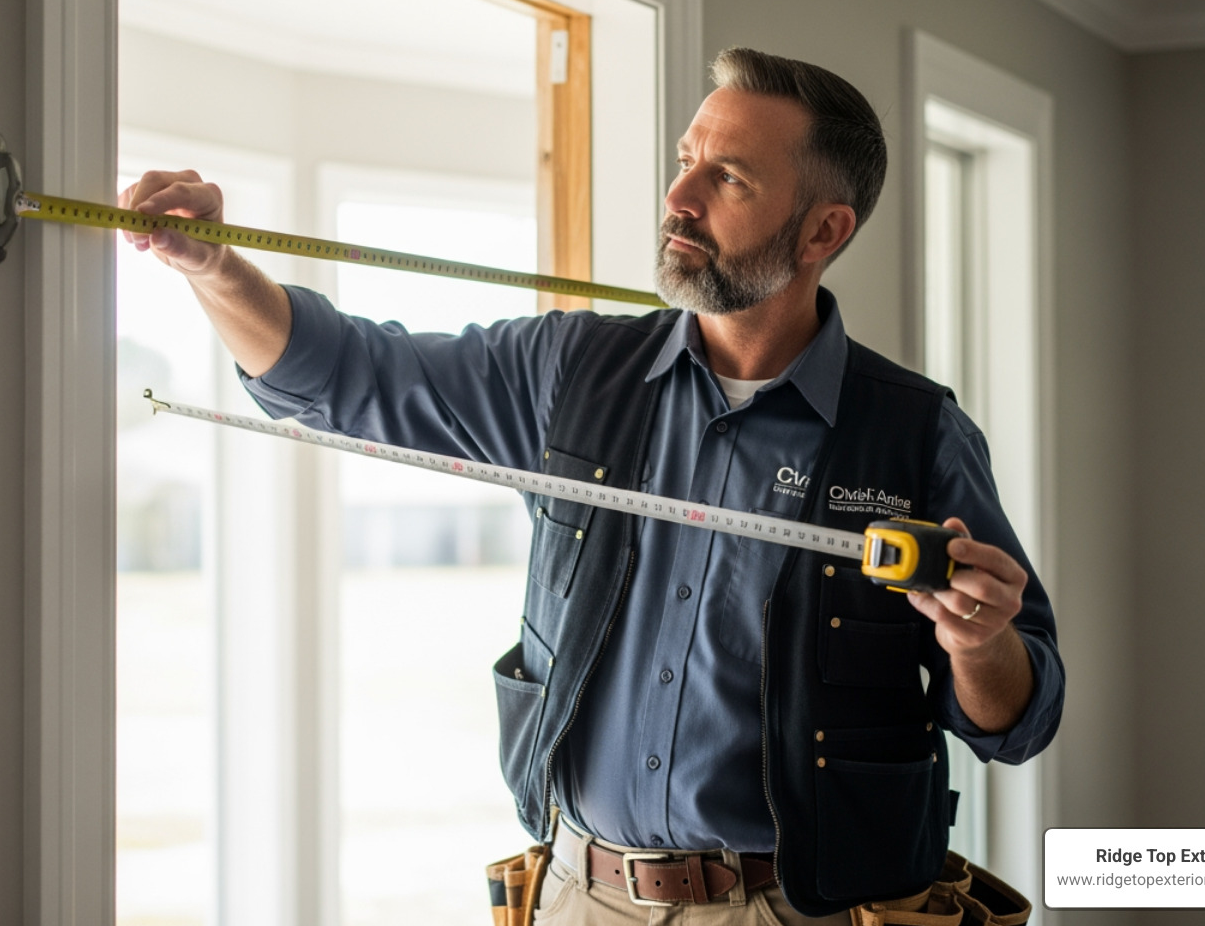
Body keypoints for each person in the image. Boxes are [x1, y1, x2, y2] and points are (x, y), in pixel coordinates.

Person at [122, 48, 1063, 924]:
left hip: (800, 911)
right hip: (579, 893)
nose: (679, 195)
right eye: (687, 159)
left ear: (824, 229)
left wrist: (978, 644)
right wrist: (213, 265)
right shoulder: (568, 372)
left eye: (728, 178)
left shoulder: (915, 432)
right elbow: (340, 376)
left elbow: (1022, 719)